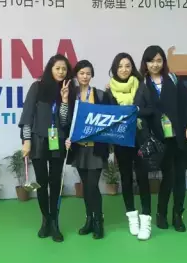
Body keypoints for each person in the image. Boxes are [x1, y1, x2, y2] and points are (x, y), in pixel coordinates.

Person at [139, 45, 187, 233]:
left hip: (178, 137)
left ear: (163, 62)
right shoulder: (142, 84)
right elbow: (138, 111)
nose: (155, 64)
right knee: (168, 177)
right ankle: (161, 213)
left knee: (180, 177)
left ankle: (178, 215)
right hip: (159, 140)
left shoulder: (173, 80)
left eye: (158, 60)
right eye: (151, 61)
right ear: (145, 63)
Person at [19, 54, 75, 242]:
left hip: (58, 140)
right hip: (38, 140)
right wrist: (27, 141)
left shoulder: (68, 90)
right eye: (58, 68)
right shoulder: (37, 87)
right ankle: (45, 220)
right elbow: (27, 115)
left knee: (56, 182)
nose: (61, 72)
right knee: (41, 182)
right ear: (50, 69)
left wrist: (65, 100)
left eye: (64, 69)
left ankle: (55, 222)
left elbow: (65, 121)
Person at [104, 52, 156, 241]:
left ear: (132, 67)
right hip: (121, 141)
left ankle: (146, 220)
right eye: (120, 66)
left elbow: (151, 110)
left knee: (143, 178)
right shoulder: (109, 90)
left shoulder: (141, 86)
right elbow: (108, 115)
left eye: (127, 66)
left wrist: (137, 111)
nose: (124, 69)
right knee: (125, 178)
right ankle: (132, 218)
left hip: (140, 139)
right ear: (115, 69)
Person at [64, 60, 108, 240]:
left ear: (92, 75)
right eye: (82, 73)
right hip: (79, 149)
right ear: (76, 75)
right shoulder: (71, 95)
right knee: (85, 186)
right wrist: (66, 139)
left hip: (96, 148)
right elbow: (65, 120)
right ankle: (89, 219)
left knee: (92, 186)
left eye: (88, 73)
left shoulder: (100, 95)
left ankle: (98, 221)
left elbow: (109, 118)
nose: (85, 76)